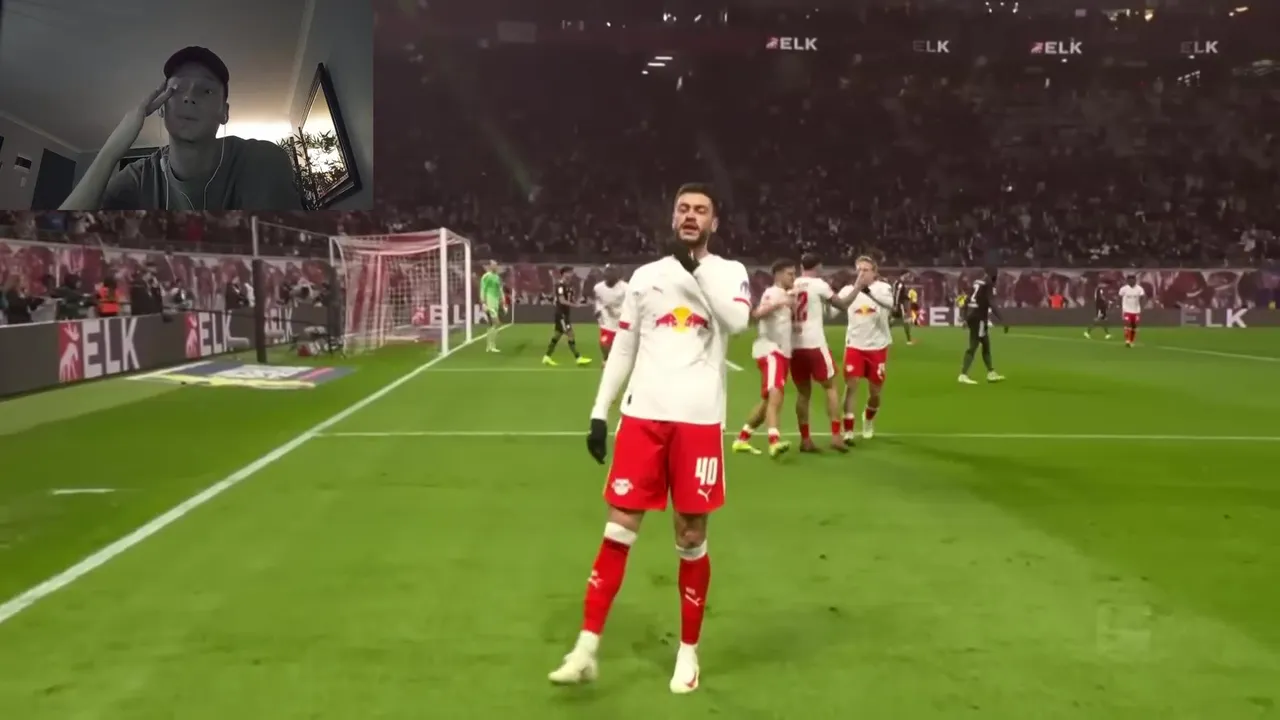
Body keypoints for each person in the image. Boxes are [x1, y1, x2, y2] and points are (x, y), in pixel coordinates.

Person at [552, 183, 751, 693]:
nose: (691, 216)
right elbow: (624, 347)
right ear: (672, 218)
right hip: (642, 419)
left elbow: (737, 321)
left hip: (699, 422)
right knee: (618, 528)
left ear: (714, 223)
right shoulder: (645, 277)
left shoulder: (729, 272)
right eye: (683, 209)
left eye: (701, 210)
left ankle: (688, 652)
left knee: (691, 537)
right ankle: (586, 648)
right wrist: (599, 412)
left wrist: (694, 270)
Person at [60, 47, 303, 212]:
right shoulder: (139, 178)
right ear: (162, 107)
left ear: (224, 112)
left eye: (206, 90)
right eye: (176, 90)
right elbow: (55, 242)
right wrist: (111, 150)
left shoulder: (261, 161)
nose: (189, 97)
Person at [732, 258, 796, 458]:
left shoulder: (786, 295)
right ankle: (774, 441)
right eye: (790, 274)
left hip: (783, 352)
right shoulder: (772, 293)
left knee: (767, 400)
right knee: (776, 393)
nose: (793, 277)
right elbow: (757, 314)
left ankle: (742, 439)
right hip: (770, 350)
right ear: (778, 275)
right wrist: (779, 303)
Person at [787, 253, 848, 452]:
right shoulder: (819, 284)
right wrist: (856, 287)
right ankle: (836, 436)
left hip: (794, 345)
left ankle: (805, 440)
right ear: (818, 266)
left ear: (801, 266)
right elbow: (841, 305)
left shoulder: (792, 283)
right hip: (814, 343)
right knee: (830, 387)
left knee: (803, 393)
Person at [831, 256, 896, 440]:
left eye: (866, 270)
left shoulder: (882, 288)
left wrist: (867, 291)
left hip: (878, 347)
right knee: (851, 386)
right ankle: (848, 430)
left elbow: (890, 305)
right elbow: (834, 311)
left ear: (874, 272)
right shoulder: (848, 290)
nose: (862, 273)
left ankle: (868, 419)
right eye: (859, 270)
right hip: (854, 346)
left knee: (875, 392)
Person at [958, 268, 1008, 384]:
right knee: (974, 345)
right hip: (979, 318)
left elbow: (966, 300)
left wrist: (965, 317)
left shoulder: (977, 282)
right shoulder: (988, 284)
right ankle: (963, 374)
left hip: (973, 316)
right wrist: (1002, 320)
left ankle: (991, 372)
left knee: (986, 344)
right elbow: (991, 303)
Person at [543, 266, 592, 366]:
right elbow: (562, 301)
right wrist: (574, 305)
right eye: (569, 272)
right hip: (561, 314)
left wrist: (579, 302)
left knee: (557, 335)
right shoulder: (560, 285)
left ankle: (547, 357)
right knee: (570, 333)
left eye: (571, 272)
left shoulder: (568, 286)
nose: (571, 274)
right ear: (563, 274)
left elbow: (570, 299)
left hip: (565, 314)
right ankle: (578, 357)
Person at [593, 264, 628, 361]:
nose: (610, 280)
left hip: (621, 317)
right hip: (606, 318)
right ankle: (606, 359)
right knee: (604, 342)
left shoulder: (625, 288)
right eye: (608, 277)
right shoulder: (598, 288)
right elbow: (598, 300)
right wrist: (597, 309)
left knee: (623, 344)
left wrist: (621, 312)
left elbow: (630, 302)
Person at [479, 260, 507, 353]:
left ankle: (489, 346)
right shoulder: (486, 276)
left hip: (495, 303)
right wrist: (483, 302)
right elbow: (483, 289)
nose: (495, 267)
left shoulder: (497, 277)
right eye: (493, 265)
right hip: (489, 302)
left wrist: (503, 303)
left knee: (492, 324)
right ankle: (491, 345)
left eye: (496, 265)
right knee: (496, 322)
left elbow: (500, 290)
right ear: (490, 266)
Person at [1117, 274, 1146, 347]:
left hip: (1136, 310)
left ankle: (1131, 340)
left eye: (1133, 280)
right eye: (1129, 280)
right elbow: (1119, 297)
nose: (1131, 281)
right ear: (1127, 281)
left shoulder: (1139, 289)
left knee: (1134, 326)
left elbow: (1143, 297)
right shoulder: (1123, 289)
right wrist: (1118, 305)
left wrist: (1142, 306)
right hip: (1126, 310)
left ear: (1135, 280)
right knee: (1127, 323)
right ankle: (1127, 340)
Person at [890, 271, 915, 344]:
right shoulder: (900, 283)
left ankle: (885, 338)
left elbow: (898, 294)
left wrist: (908, 298)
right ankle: (909, 340)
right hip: (899, 305)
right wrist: (896, 305)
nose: (908, 276)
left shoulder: (897, 282)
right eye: (907, 275)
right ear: (903, 275)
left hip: (897, 304)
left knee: (892, 322)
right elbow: (897, 294)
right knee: (906, 321)